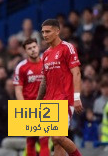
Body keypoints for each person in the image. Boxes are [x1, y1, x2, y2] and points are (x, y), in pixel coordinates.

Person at [37, 19, 83, 156]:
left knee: (57, 136)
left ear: (57, 31)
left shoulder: (67, 48)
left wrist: (77, 97)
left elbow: (77, 72)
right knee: (56, 141)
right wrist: (38, 101)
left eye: (48, 31)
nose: (45, 35)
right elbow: (44, 80)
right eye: (43, 32)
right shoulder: (45, 54)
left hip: (64, 99)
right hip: (49, 101)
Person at [13, 38, 49, 156]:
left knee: (45, 140)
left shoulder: (47, 62)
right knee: (31, 140)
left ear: (38, 47)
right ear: (25, 51)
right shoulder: (21, 67)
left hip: (46, 105)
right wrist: (23, 106)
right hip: (29, 105)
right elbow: (18, 89)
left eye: (34, 47)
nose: (33, 50)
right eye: (29, 48)